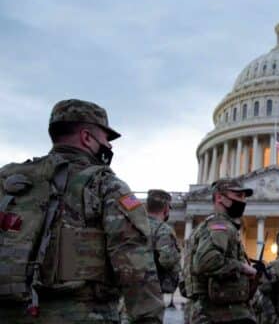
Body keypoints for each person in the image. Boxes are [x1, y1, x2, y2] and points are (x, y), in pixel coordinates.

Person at [0, 99, 164, 323]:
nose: (109, 146)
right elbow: (135, 266)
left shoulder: (8, 180)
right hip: (81, 314)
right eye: (106, 138)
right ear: (87, 137)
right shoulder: (106, 185)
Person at [186, 179, 258, 324]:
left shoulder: (205, 227)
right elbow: (207, 261)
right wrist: (244, 268)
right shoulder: (220, 225)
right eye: (238, 196)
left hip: (209, 311)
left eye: (244, 197)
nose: (243, 201)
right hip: (223, 313)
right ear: (220, 197)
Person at [146, 189, 181, 299]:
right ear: (166, 208)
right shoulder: (163, 229)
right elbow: (167, 260)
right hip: (151, 288)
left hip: (126, 286)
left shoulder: (131, 225)